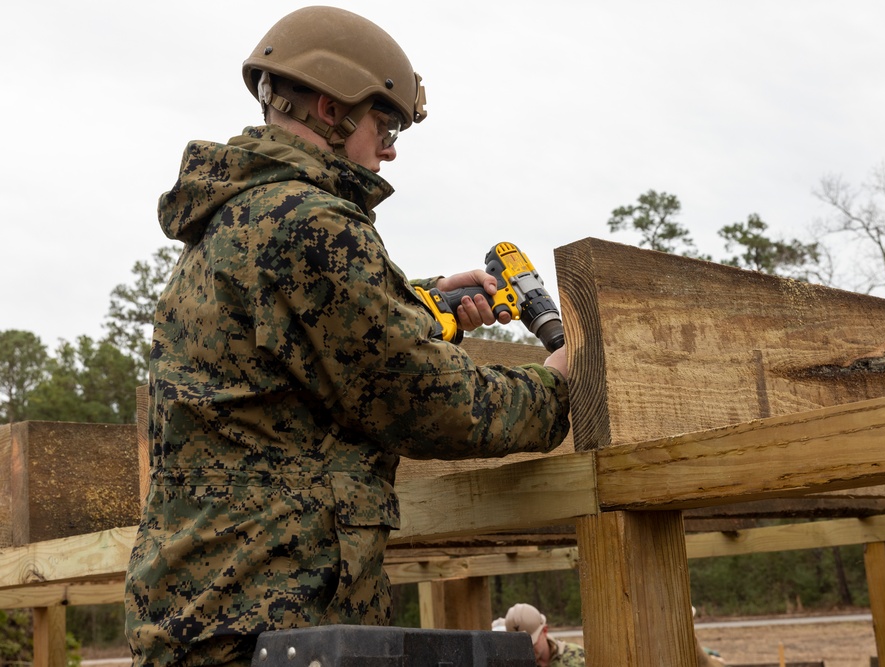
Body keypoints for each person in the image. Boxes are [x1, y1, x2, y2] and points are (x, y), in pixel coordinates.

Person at [123, 7, 570, 666]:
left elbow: (316, 348)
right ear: (330, 110)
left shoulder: (238, 222)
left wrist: (419, 301)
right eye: (383, 125)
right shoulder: (312, 226)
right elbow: (422, 398)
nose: (388, 149)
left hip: (210, 617)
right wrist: (557, 382)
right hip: (270, 624)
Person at [505, 603, 586, 667]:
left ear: (544, 630)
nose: (526, 651)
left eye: (531, 644)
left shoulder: (577, 657)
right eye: (519, 647)